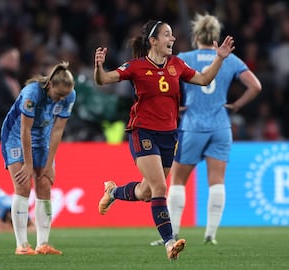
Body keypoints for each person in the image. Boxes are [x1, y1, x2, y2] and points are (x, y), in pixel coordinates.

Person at [94, 19, 235, 260]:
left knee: (148, 192)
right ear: (153, 41)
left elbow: (203, 80)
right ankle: (170, 242)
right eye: (167, 35)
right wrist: (99, 67)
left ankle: (113, 191)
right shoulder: (136, 66)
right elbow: (104, 80)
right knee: (161, 188)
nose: (172, 39)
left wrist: (219, 58)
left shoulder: (177, 64)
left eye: (172, 35)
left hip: (169, 135)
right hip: (143, 132)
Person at [150, 13, 262, 246]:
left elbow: (164, 85)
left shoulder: (184, 57)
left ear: (196, 35)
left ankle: (173, 234)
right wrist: (236, 105)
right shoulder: (229, 59)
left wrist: (175, 106)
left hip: (192, 125)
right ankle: (210, 235)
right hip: (221, 125)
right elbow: (255, 86)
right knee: (217, 181)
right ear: (215, 36)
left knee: (178, 180)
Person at [1, 61, 76, 255]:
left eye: (65, 96)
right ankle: (22, 245)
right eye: (59, 95)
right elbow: (25, 129)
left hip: (42, 139)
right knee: (23, 185)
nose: (61, 100)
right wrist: (27, 164)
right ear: (50, 85)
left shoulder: (69, 95)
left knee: (44, 185)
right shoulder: (32, 93)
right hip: (16, 138)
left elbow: (58, 130)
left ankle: (42, 243)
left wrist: (50, 163)